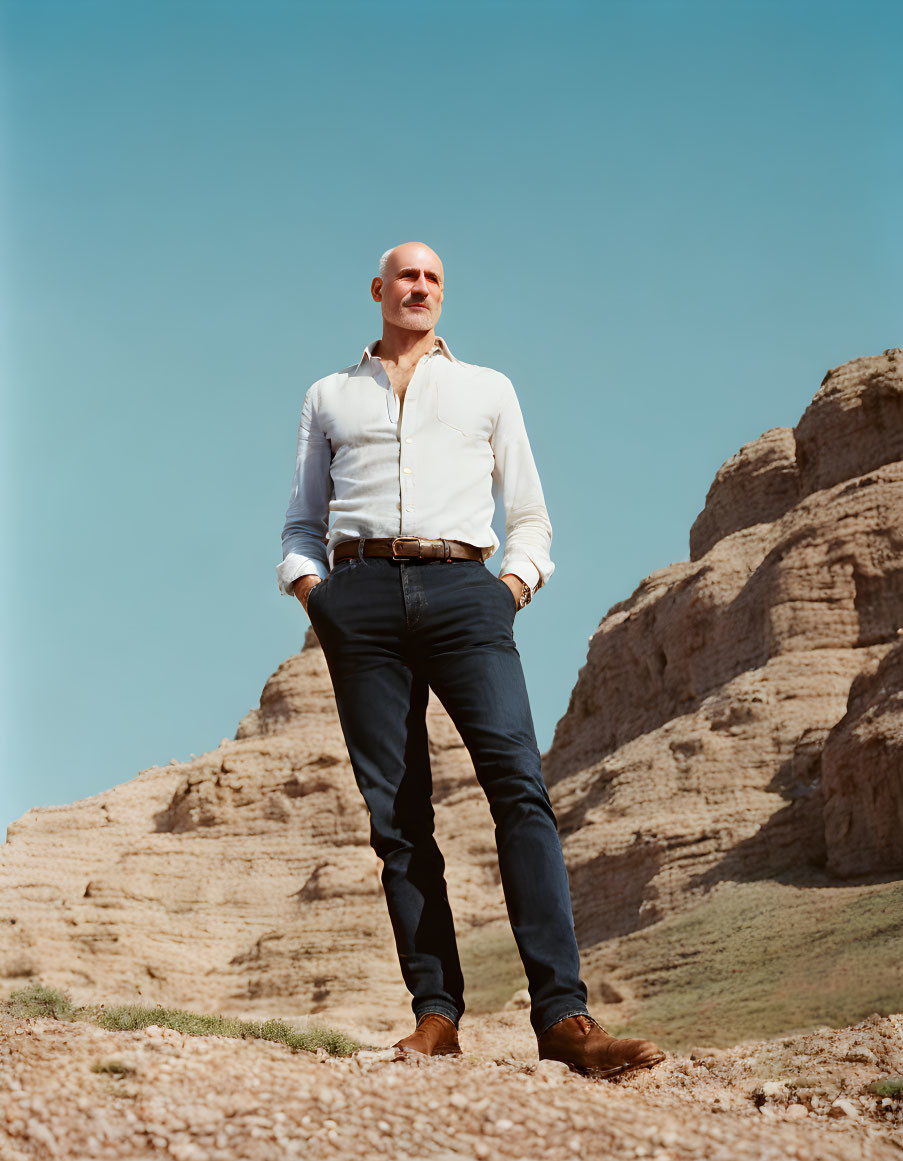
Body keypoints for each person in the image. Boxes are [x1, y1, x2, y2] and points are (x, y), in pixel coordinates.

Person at [275, 241, 666, 1079]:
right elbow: (302, 520)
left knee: (519, 791)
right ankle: (436, 1016)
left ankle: (563, 1018)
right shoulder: (329, 395)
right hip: (362, 599)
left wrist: (509, 588)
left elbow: (529, 513)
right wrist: (318, 595)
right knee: (399, 818)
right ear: (378, 290)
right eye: (405, 277)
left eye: (433, 279)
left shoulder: (488, 388)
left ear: (442, 296)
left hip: (464, 592)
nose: (418, 288)